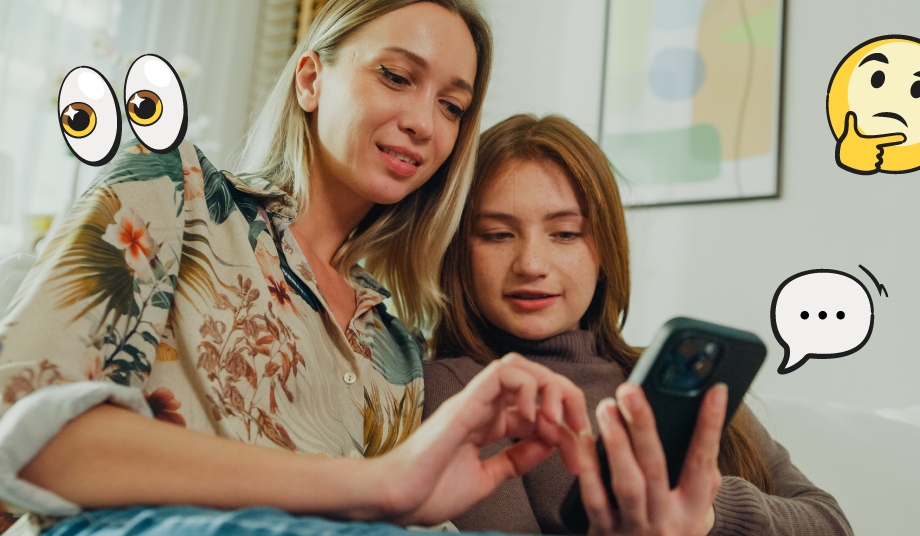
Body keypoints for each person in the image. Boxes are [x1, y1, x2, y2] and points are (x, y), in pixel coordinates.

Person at [0, 3, 592, 535]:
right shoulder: (175, 186)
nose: (424, 123)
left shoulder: (396, 348)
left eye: (452, 106)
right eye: (395, 76)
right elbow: (22, 427)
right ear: (310, 80)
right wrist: (374, 487)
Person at [423, 114, 856, 535]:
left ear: (605, 248)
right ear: (459, 250)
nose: (531, 264)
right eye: (498, 234)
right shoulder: (456, 386)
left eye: (566, 233)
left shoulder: (676, 371)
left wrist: (703, 512)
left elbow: (831, 523)